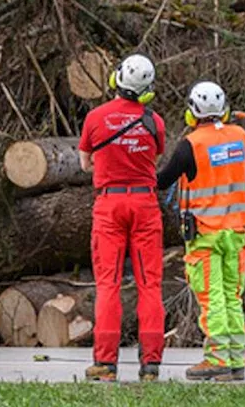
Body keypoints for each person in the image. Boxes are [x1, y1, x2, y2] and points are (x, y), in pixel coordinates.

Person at [156, 81, 245, 382]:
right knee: (233, 297)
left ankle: (217, 359)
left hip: (206, 236)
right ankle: (236, 359)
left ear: (192, 112)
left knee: (212, 298)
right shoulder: (239, 136)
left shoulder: (190, 145)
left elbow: (163, 180)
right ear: (225, 109)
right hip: (236, 234)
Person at [77, 53, 167, 383]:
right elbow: (156, 155)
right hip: (144, 205)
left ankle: (105, 362)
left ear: (117, 80)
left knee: (108, 283)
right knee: (149, 284)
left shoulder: (95, 117)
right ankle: (151, 364)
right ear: (147, 90)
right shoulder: (154, 121)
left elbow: (85, 163)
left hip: (109, 205)